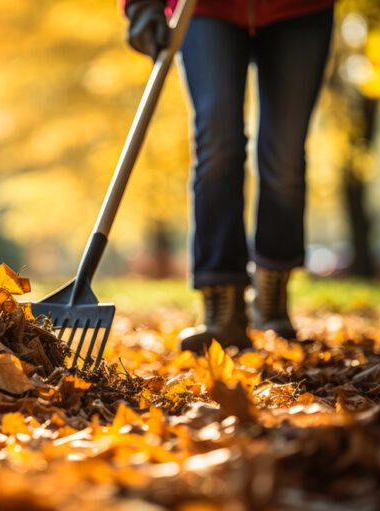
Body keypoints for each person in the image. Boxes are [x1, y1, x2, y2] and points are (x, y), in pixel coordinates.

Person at [122, 0, 335, 353]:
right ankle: (223, 307)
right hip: (206, 10)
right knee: (217, 145)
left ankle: (272, 288)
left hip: (298, 9)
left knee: (284, 155)